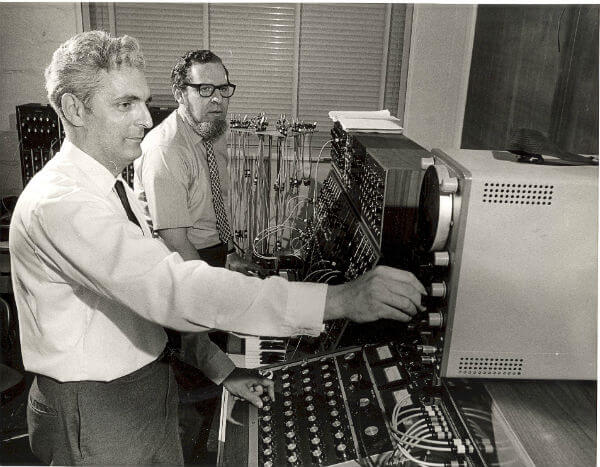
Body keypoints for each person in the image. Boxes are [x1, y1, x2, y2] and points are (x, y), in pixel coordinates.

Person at [9, 31, 427, 465]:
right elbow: (174, 289)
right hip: (96, 409)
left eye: (143, 102)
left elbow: (150, 307)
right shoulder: (63, 204)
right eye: (125, 104)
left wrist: (223, 371)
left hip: (146, 385)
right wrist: (339, 299)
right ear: (75, 109)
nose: (146, 119)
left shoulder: (112, 186)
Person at [133, 50, 258, 410]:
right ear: (179, 93)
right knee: (197, 373)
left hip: (209, 254)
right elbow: (174, 240)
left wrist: (229, 253)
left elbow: (215, 200)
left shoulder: (212, 129)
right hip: (182, 263)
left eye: (223, 88)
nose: (217, 99)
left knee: (220, 357)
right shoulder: (166, 149)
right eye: (205, 89)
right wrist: (213, 289)